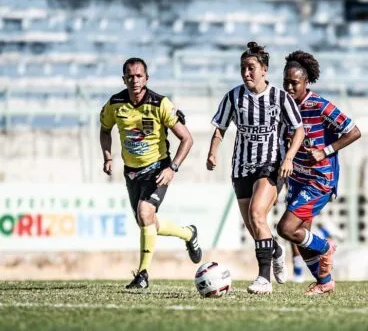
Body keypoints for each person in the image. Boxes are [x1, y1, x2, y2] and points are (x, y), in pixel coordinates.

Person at [206, 42, 305, 294]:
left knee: (257, 214)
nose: (246, 73)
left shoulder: (280, 97)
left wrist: (289, 158)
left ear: (264, 70)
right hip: (241, 167)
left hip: (271, 165)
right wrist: (212, 152)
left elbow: (299, 130)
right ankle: (275, 249)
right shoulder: (233, 97)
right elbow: (220, 128)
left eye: (251, 68)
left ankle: (263, 279)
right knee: (253, 224)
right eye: (243, 68)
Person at [99, 57, 202, 289]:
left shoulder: (160, 104)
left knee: (145, 213)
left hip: (157, 169)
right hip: (131, 172)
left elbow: (187, 139)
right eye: (130, 76)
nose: (134, 80)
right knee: (146, 221)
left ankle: (143, 274)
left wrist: (172, 168)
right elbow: (105, 130)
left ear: (146, 78)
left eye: (139, 76)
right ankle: (188, 234)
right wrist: (107, 156)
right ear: (123, 78)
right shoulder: (115, 103)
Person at [277, 50, 361, 295]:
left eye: (295, 83)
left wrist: (326, 150)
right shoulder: (284, 107)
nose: (290, 87)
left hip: (319, 180)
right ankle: (325, 282)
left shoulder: (320, 106)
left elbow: (354, 131)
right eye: (286, 82)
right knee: (299, 235)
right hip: (297, 179)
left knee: (286, 228)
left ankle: (326, 246)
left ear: (306, 82)